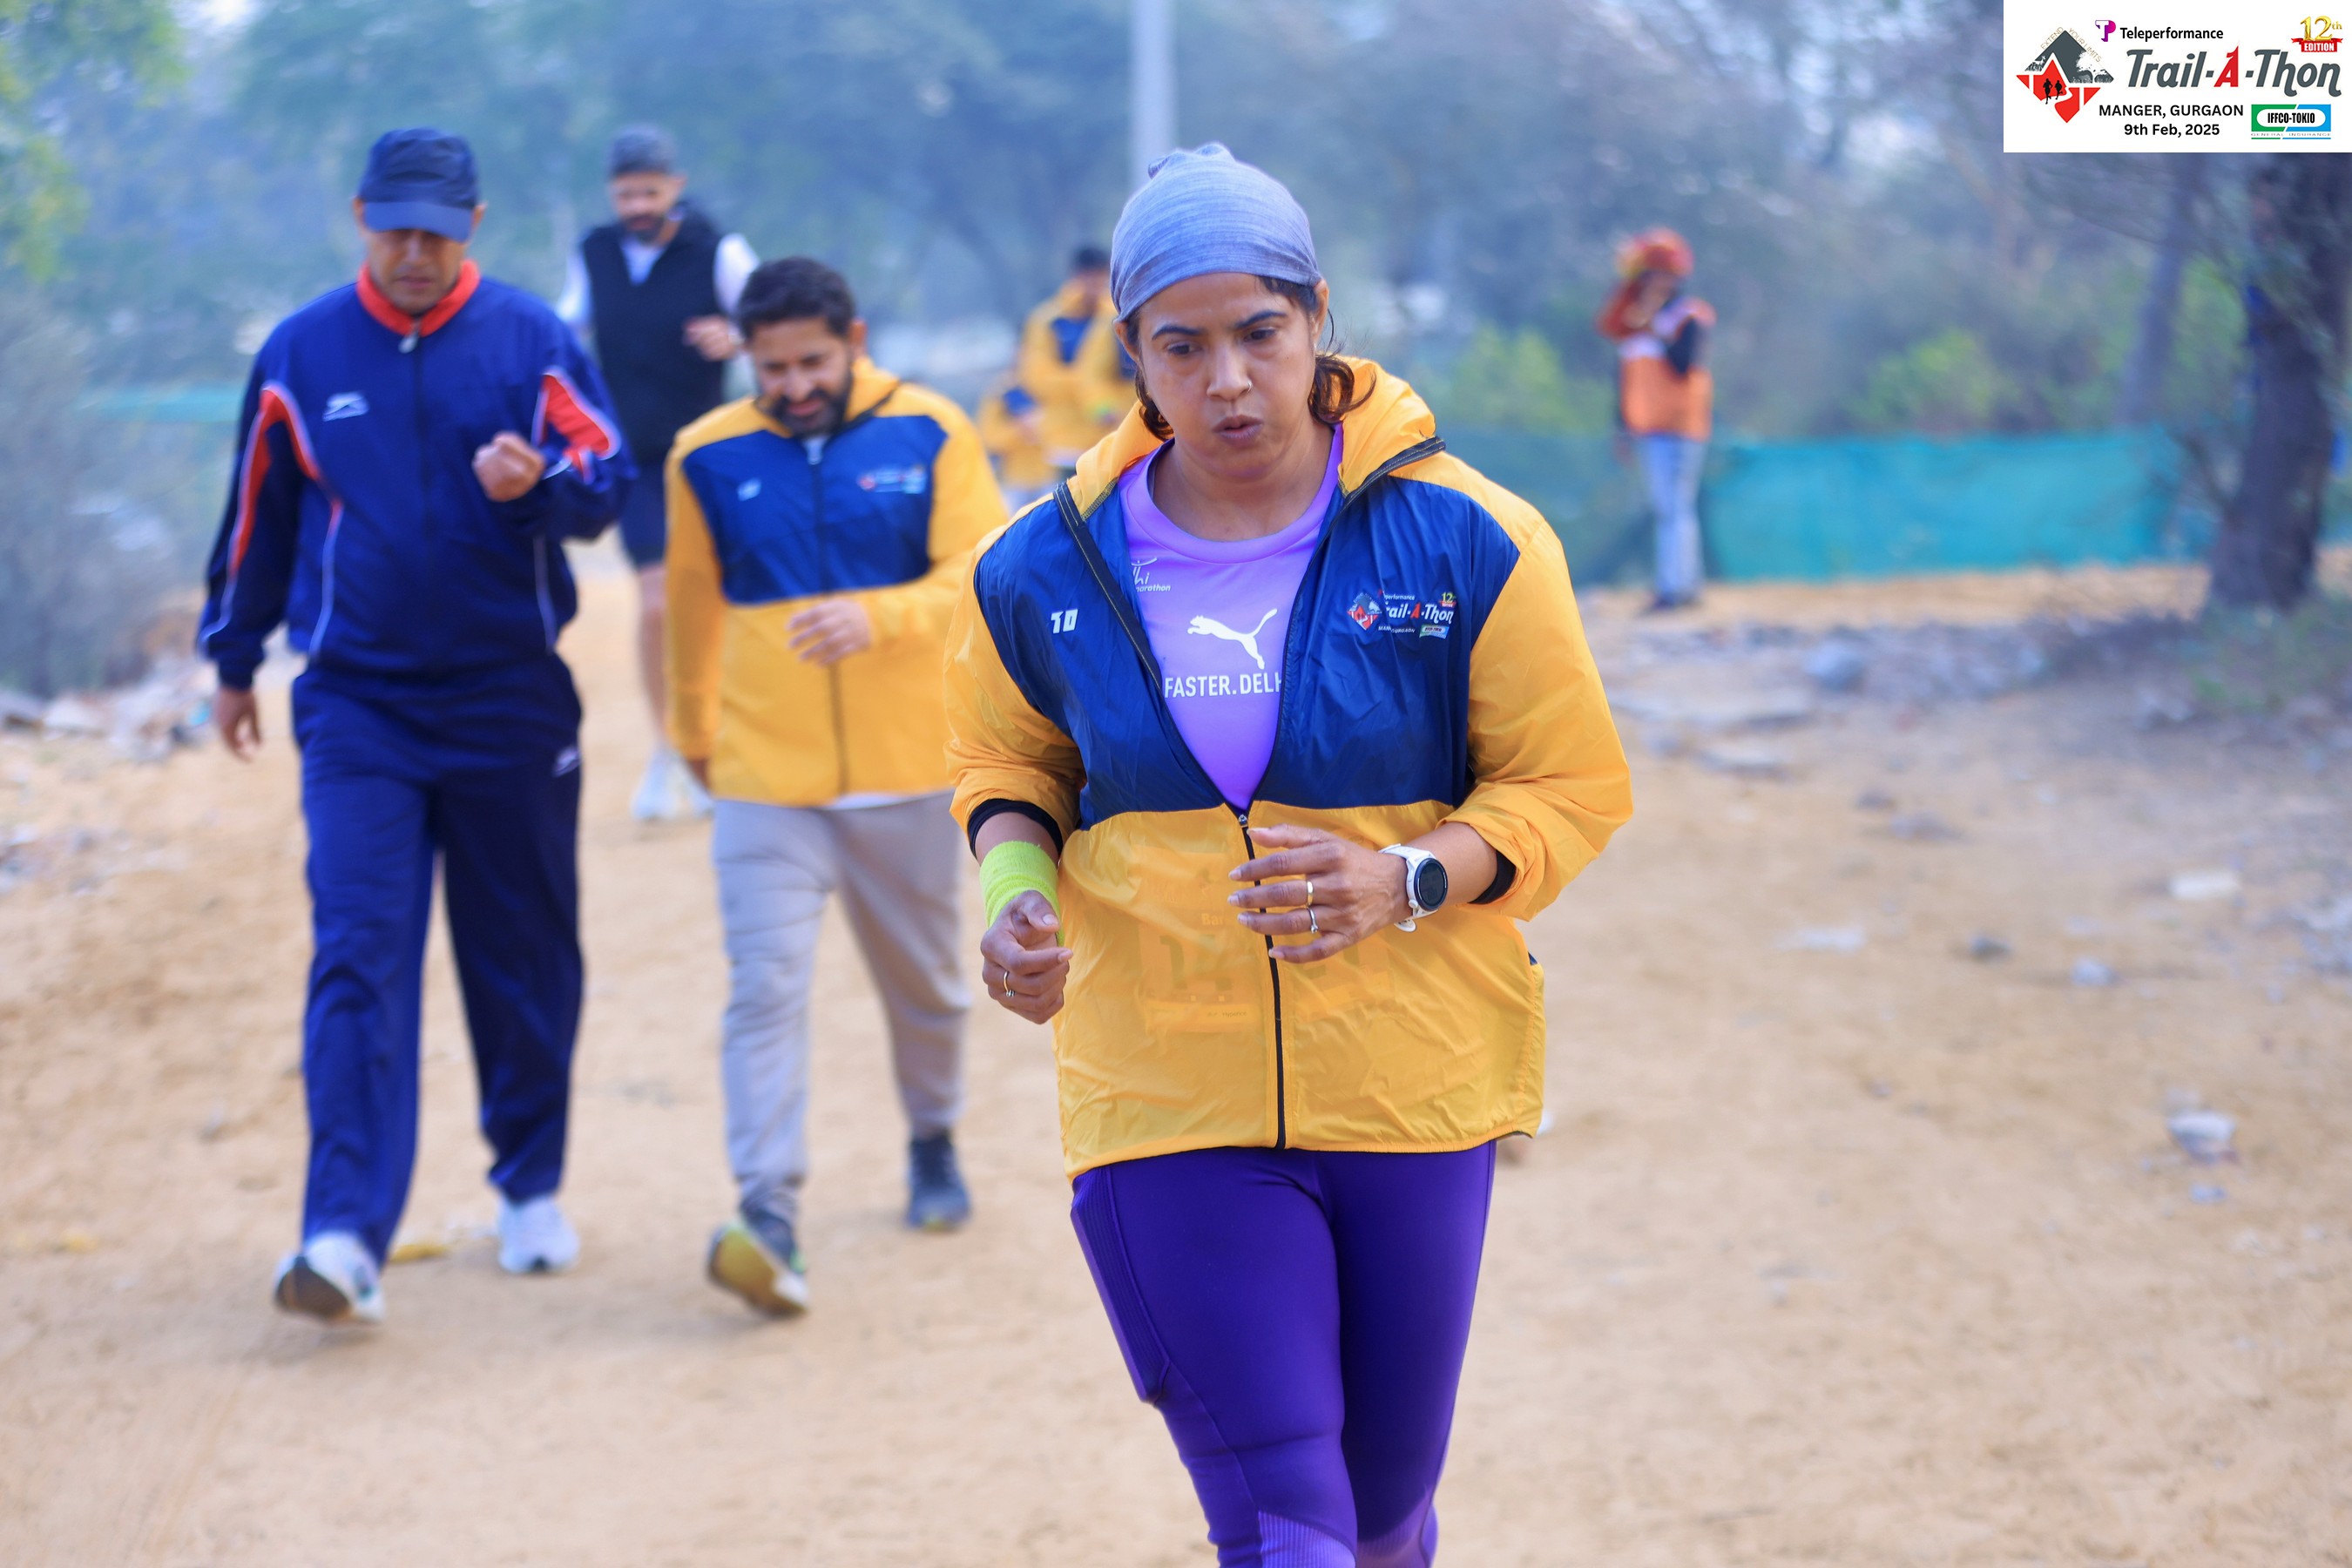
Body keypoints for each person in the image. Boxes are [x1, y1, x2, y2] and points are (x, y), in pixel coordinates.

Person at [944, 145, 1632, 1565]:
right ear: (1131, 354)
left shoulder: (1471, 540)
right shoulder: (1041, 567)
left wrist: (1407, 876)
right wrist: (1016, 896)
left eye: (1260, 333)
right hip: (1167, 1094)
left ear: (1320, 318)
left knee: (1383, 1520)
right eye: (1182, 347)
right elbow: (1011, 769)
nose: (1229, 382)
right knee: (1286, 1523)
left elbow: (1566, 786)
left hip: (1411, 1084)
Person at [199, 128, 632, 1325]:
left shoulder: (530, 339)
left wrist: (538, 486)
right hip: (360, 706)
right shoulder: (300, 353)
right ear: (361, 219)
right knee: (359, 949)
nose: (414, 252)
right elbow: (256, 517)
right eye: (394, 229)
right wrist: (233, 659)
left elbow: (607, 481)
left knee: (522, 949)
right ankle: (341, 1234)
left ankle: (530, 1188)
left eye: (437, 233)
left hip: (509, 696)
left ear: (472, 228)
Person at [666, 258, 1009, 1316]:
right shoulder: (705, 454)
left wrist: (879, 616)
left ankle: (932, 1138)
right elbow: (691, 605)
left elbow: (982, 571)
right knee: (763, 988)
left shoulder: (933, 431)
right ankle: (766, 1210)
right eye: (772, 369)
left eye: (813, 362)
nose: (795, 385)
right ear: (746, 358)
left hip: (908, 774)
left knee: (927, 988)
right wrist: (694, 735)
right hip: (766, 778)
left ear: (853, 340)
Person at [554, 125, 759, 821]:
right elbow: (564, 330)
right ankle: (669, 749)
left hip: (713, 460)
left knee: (723, 603)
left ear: (675, 186)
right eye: (625, 195)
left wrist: (736, 337)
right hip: (637, 463)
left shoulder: (719, 251)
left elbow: (776, 321)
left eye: (649, 192)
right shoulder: (594, 252)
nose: (637, 206)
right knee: (653, 606)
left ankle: (719, 741)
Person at [1596, 226, 1715, 612]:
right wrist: (1621, 429)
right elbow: (1619, 361)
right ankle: (1681, 585)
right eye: (1647, 275)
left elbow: (1683, 364)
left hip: (1679, 427)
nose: (1653, 283)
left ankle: (1676, 588)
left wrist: (1656, 328)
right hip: (1646, 429)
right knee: (1669, 507)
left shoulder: (1687, 315)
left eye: (1659, 274)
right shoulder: (1632, 323)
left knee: (1673, 507)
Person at [1005, 243, 1132, 475]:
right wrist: (1088, 384)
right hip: (1067, 442)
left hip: (1116, 435)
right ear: (1076, 277)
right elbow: (1036, 377)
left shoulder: (1118, 316)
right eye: (1088, 277)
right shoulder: (1048, 321)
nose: (1094, 285)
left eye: (1100, 277)